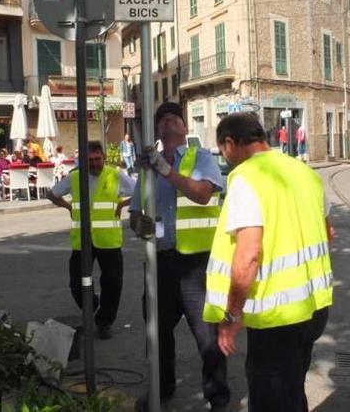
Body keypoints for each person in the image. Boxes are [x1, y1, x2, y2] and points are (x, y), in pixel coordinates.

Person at [204, 112, 334, 412]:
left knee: (271, 398)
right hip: (313, 308)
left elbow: (248, 254)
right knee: (292, 391)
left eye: (224, 151)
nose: (225, 158)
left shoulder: (246, 178)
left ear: (230, 143)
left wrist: (231, 318)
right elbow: (328, 233)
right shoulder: (305, 173)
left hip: (278, 316)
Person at [130, 102, 230, 411]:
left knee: (208, 338)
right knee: (156, 333)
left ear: (185, 128)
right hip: (161, 262)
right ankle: (163, 388)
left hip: (196, 265)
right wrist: (138, 225)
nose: (169, 122)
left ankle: (218, 398)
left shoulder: (200, 157)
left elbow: (202, 194)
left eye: (175, 118)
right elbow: (135, 212)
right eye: (163, 120)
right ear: (158, 130)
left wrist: (167, 171)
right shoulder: (148, 169)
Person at [48, 141, 135, 339]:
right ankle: (93, 305)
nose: (94, 163)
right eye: (90, 160)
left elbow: (141, 191)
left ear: (104, 158)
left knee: (112, 283)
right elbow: (51, 194)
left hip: (109, 240)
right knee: (76, 284)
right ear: (83, 161)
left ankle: (104, 321)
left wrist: (123, 204)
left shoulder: (115, 175)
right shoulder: (75, 177)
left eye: (97, 159)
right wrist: (68, 207)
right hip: (82, 241)